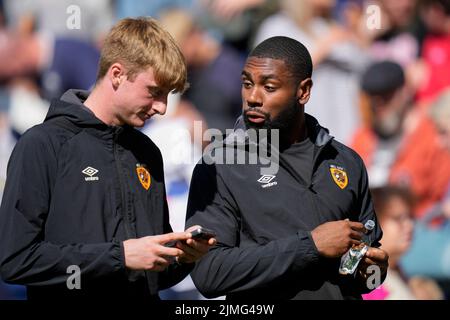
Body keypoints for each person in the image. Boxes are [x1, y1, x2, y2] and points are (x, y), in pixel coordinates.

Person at [0, 17, 215, 300]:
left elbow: (152, 274)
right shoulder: (42, 145)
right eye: (154, 92)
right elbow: (16, 259)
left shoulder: (147, 152)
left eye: (167, 96)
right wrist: (120, 256)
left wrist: (184, 257)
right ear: (117, 74)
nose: (162, 108)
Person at [186, 36, 388, 300]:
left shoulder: (346, 161)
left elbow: (367, 272)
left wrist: (373, 272)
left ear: (303, 91)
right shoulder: (219, 165)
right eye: (247, 84)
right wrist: (310, 247)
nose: (253, 98)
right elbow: (209, 274)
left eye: (269, 87)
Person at [363, 186, 443, 300]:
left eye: (410, 217)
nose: (410, 225)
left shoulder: (403, 275)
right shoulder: (369, 275)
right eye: (398, 218)